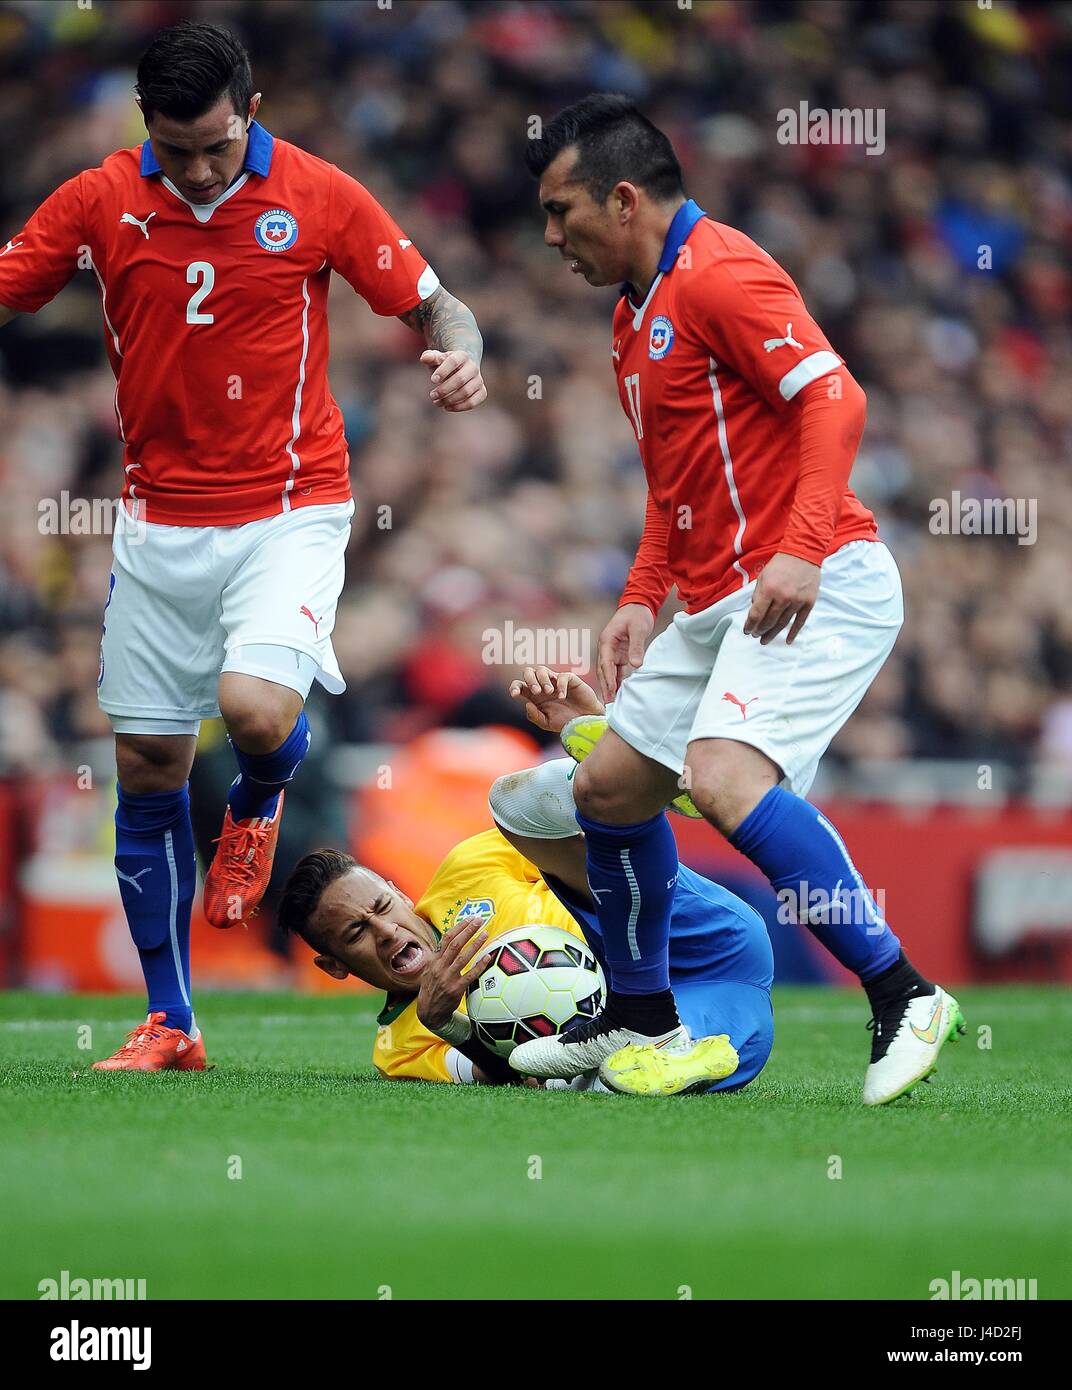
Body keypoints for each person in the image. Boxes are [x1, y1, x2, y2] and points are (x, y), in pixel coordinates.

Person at [0, 22, 486, 1070]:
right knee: (147, 765)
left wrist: (462, 355)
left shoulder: (317, 193)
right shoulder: (99, 198)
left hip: (287, 506)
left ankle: (261, 802)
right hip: (156, 519)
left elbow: (440, 305)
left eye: (218, 147)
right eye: (177, 152)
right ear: (147, 131)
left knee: (257, 708)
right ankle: (170, 1020)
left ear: (251, 113)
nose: (201, 169)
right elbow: (11, 283)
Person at [515, 94, 963, 1105]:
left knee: (719, 775)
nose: (550, 237)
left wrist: (800, 549)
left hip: (819, 580)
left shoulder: (719, 272)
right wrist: (640, 595)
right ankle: (641, 1018)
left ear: (622, 198)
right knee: (608, 788)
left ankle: (903, 991)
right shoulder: (633, 317)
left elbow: (833, 396)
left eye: (560, 211)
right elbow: (674, 485)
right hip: (722, 599)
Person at [278, 667, 774, 1097]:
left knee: (514, 801)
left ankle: (620, 757)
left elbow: (582, 843)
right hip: (691, 1007)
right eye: (356, 933)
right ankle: (678, 1045)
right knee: (607, 1080)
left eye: (382, 907)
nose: (384, 930)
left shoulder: (466, 868)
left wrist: (583, 736)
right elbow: (510, 1077)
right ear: (335, 966)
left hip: (694, 935)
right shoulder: (402, 1047)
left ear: (400, 891)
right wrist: (446, 1022)